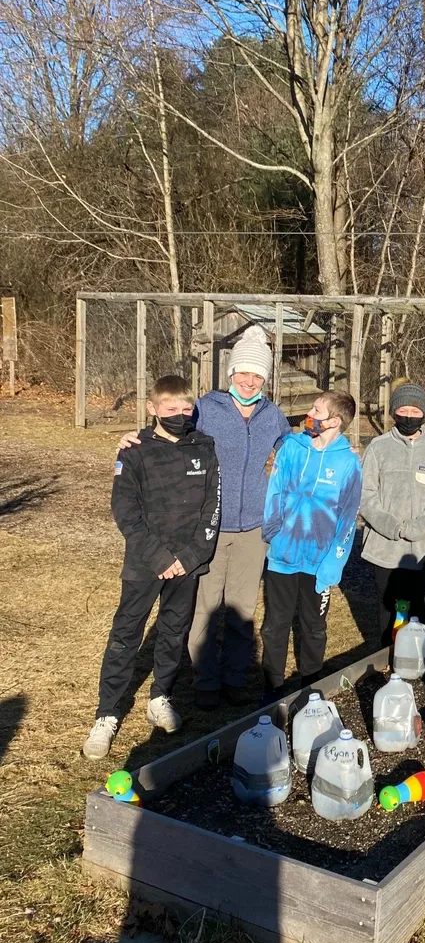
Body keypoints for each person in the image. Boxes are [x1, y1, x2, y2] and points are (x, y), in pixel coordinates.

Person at [116, 324, 291, 710]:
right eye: (243, 372)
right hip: (208, 526)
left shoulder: (272, 414)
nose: (249, 380)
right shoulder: (205, 409)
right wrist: (134, 438)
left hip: (253, 529)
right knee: (205, 607)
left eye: (257, 374)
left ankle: (234, 678)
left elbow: (292, 447)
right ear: (231, 374)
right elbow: (168, 428)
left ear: (266, 378)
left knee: (243, 608)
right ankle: (205, 681)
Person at [83, 375, 221, 760]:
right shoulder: (134, 451)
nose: (179, 415)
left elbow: (213, 507)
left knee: (173, 632)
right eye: (170, 409)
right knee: (126, 635)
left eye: (186, 409)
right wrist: (160, 558)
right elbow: (125, 511)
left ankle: (160, 696)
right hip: (146, 563)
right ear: (153, 408)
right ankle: (107, 713)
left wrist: (189, 558)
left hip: (188, 565)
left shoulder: (205, 448)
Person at [259, 391, 362, 703]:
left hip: (319, 562)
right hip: (282, 556)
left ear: (334, 421)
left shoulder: (348, 463)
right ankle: (272, 687)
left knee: (314, 626)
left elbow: (348, 516)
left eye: (317, 409)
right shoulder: (292, 447)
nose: (310, 413)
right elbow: (274, 490)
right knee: (275, 625)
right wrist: (272, 531)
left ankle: (311, 686)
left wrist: (334, 563)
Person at [360, 380, 425, 647]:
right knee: (388, 605)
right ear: (394, 412)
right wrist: (391, 526)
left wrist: (419, 527)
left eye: (415, 410)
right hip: (384, 547)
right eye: (403, 410)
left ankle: (414, 653)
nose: (409, 416)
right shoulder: (377, 447)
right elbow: (366, 494)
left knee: (414, 605)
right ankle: (387, 653)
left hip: (420, 548)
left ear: (424, 413)